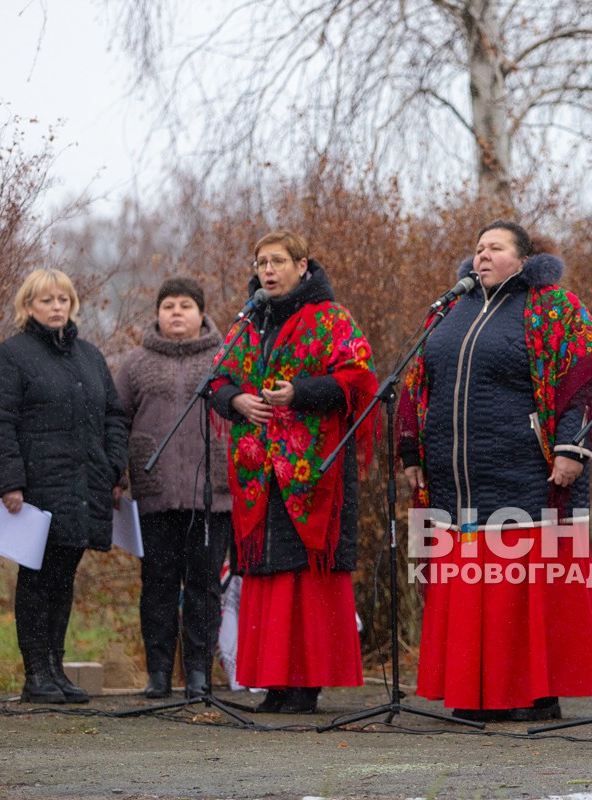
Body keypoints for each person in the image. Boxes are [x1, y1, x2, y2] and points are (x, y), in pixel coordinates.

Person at [398, 220, 592, 722]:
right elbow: (415, 380)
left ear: (523, 258)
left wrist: (571, 446)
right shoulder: (453, 307)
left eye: (495, 248)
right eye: (477, 249)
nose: (482, 256)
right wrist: (411, 449)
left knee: (520, 591)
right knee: (473, 587)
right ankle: (477, 693)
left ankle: (532, 694)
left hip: (526, 471)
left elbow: (587, 375)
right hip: (457, 479)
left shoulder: (552, 306)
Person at [209, 230, 378, 714]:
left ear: (303, 266)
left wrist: (299, 393)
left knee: (304, 578)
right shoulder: (249, 322)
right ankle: (274, 682)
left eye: (278, 260)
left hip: (314, 473)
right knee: (265, 576)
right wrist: (236, 399)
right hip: (259, 476)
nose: (268, 269)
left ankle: (305, 683)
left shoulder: (331, 319)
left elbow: (359, 379)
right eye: (262, 261)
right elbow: (218, 378)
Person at [0, 268, 129, 704]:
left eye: (63, 299)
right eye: (46, 300)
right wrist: (10, 482)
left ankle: (56, 669)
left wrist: (113, 469)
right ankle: (36, 674)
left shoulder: (89, 356)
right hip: (35, 492)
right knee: (36, 579)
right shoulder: (11, 356)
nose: (56, 306)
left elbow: (113, 418)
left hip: (84, 488)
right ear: (29, 306)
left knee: (63, 578)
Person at [114, 277, 233, 700]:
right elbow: (117, 422)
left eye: (186, 305)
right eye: (168, 306)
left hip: (212, 494)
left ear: (202, 313)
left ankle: (199, 674)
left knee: (204, 587)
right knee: (158, 585)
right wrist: (117, 475)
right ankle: (159, 674)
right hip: (155, 494)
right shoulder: (134, 363)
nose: (176, 313)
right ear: (157, 313)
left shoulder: (226, 357)